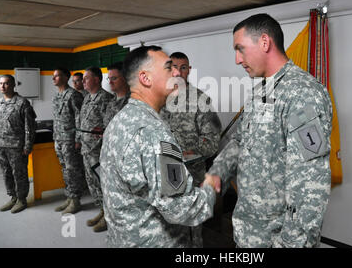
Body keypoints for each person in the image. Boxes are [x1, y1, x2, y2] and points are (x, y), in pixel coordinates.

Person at [206, 13, 333, 248]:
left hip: (276, 240)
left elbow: (311, 184)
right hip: (248, 234)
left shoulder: (301, 94)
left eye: (240, 49)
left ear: (265, 42)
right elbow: (240, 141)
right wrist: (217, 173)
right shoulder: (261, 92)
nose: (236, 59)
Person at [99, 45, 217, 247]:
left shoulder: (122, 119)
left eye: (180, 68)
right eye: (169, 68)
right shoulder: (153, 133)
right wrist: (211, 188)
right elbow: (180, 209)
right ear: (146, 78)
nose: (177, 73)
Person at [160, 51, 222, 247]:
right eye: (173, 67)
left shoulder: (201, 100)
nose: (178, 72)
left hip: (191, 175)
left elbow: (212, 142)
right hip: (165, 174)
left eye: (183, 67)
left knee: (193, 230)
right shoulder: (160, 99)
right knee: (169, 227)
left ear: (189, 71)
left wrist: (192, 150)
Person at [78, 67, 113, 232]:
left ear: (97, 80)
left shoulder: (106, 99)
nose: (83, 81)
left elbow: (110, 127)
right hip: (87, 150)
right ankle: (102, 210)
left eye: (86, 78)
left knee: (104, 184)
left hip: (99, 152)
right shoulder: (86, 98)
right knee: (92, 184)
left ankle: (109, 216)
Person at [0, 75, 36, 213]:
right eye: (0, 83)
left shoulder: (22, 103)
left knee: (19, 174)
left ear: (13, 85)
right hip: (0, 145)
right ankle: (13, 197)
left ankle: (21, 199)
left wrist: (27, 146)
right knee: (6, 173)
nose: (3, 86)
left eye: (6, 83)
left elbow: (29, 127)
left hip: (16, 146)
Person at [51, 67, 86, 214]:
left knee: (73, 170)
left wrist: (78, 139)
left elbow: (80, 117)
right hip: (59, 138)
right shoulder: (56, 96)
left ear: (66, 77)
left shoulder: (73, 95)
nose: (54, 79)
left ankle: (76, 200)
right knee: (65, 169)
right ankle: (69, 197)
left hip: (70, 140)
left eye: (57, 76)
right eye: (53, 76)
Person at [103, 62, 130, 129]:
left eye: (114, 78)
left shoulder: (134, 101)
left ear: (125, 78)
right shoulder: (111, 101)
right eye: (109, 78)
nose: (110, 82)